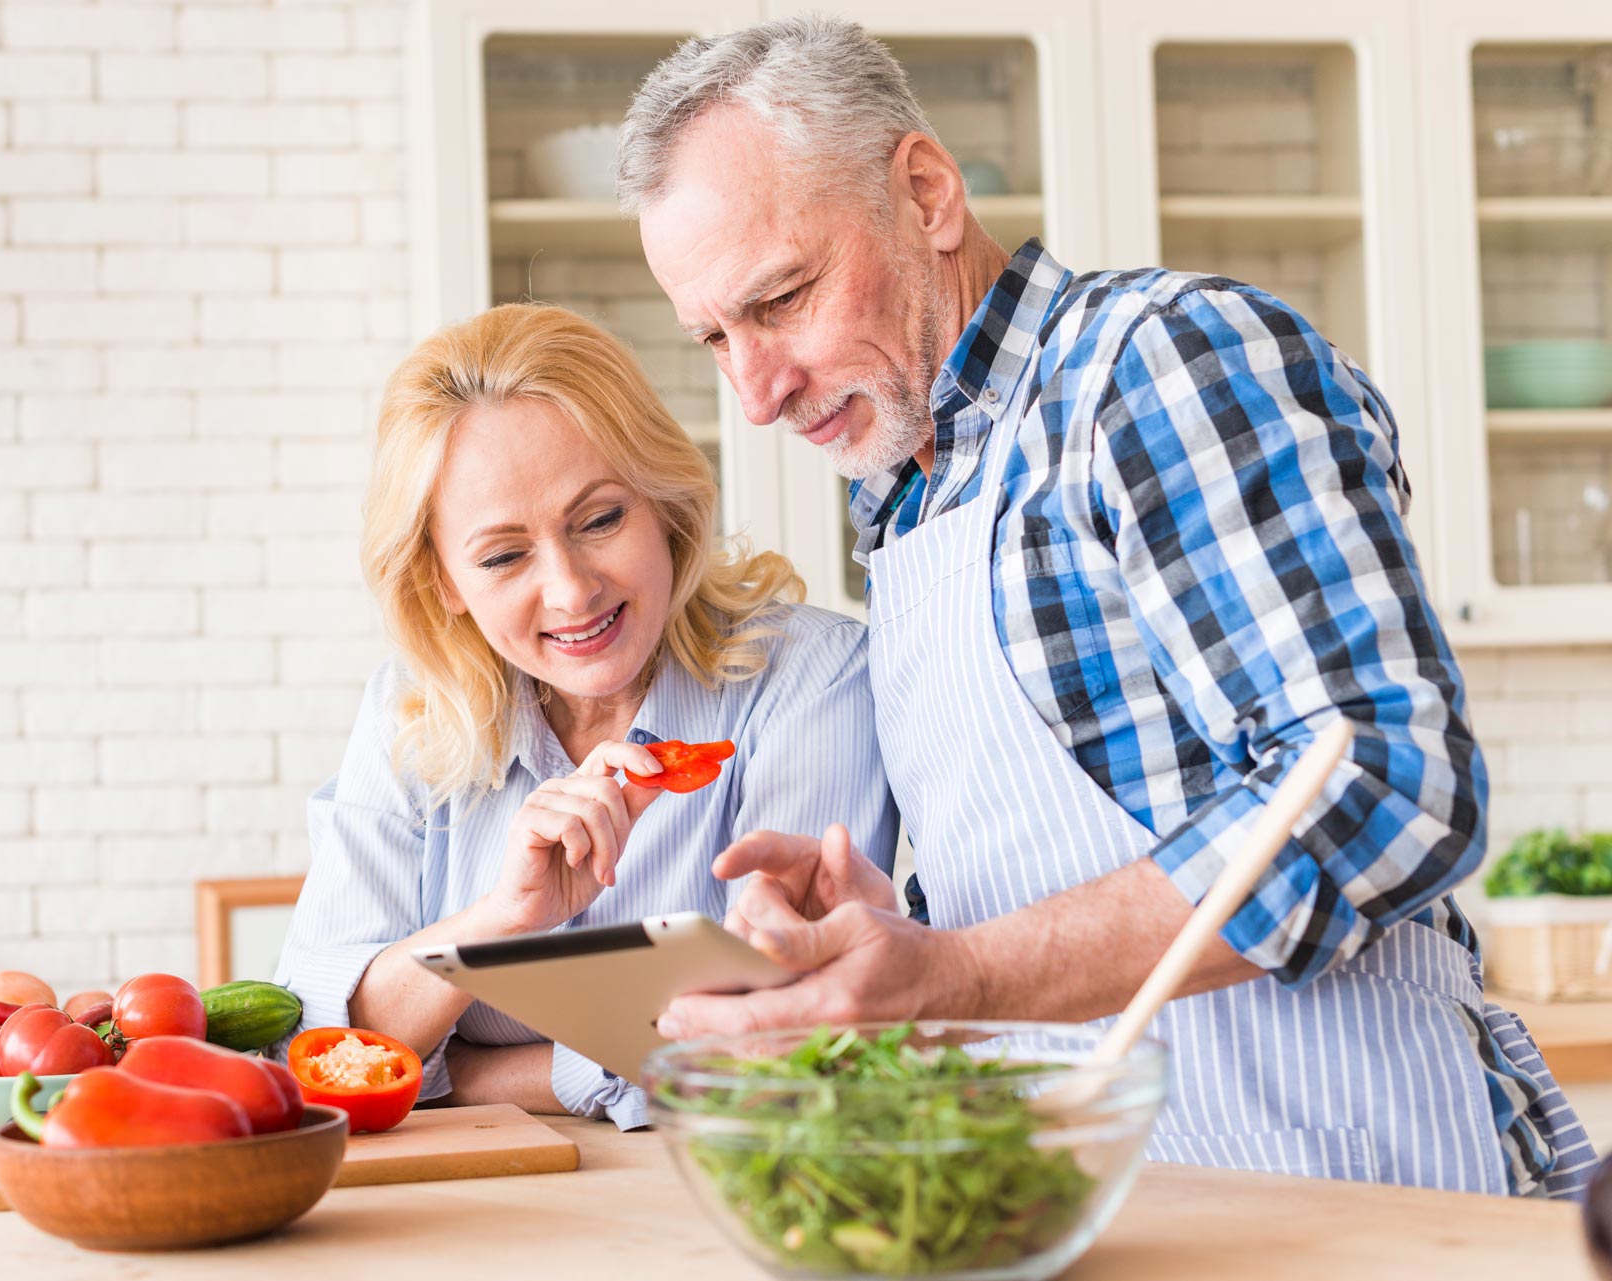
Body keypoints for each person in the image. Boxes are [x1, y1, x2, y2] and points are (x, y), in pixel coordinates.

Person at [620, 16, 1595, 1196]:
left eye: (781, 298)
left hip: (1361, 1176)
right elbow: (1077, 880)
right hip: (1104, 1203)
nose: (758, 390)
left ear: (925, 194)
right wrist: (910, 928)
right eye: (715, 337)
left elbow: (1387, 786)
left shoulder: (1159, 365)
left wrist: (955, 970)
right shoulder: (906, 498)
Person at [271, 303, 898, 1129]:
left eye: (600, 518)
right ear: (445, 585)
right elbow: (318, 1050)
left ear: (663, 503)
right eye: (502, 556)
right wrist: (500, 923)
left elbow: (776, 1048)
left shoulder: (812, 679)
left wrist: (465, 1070)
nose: (571, 590)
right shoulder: (410, 712)